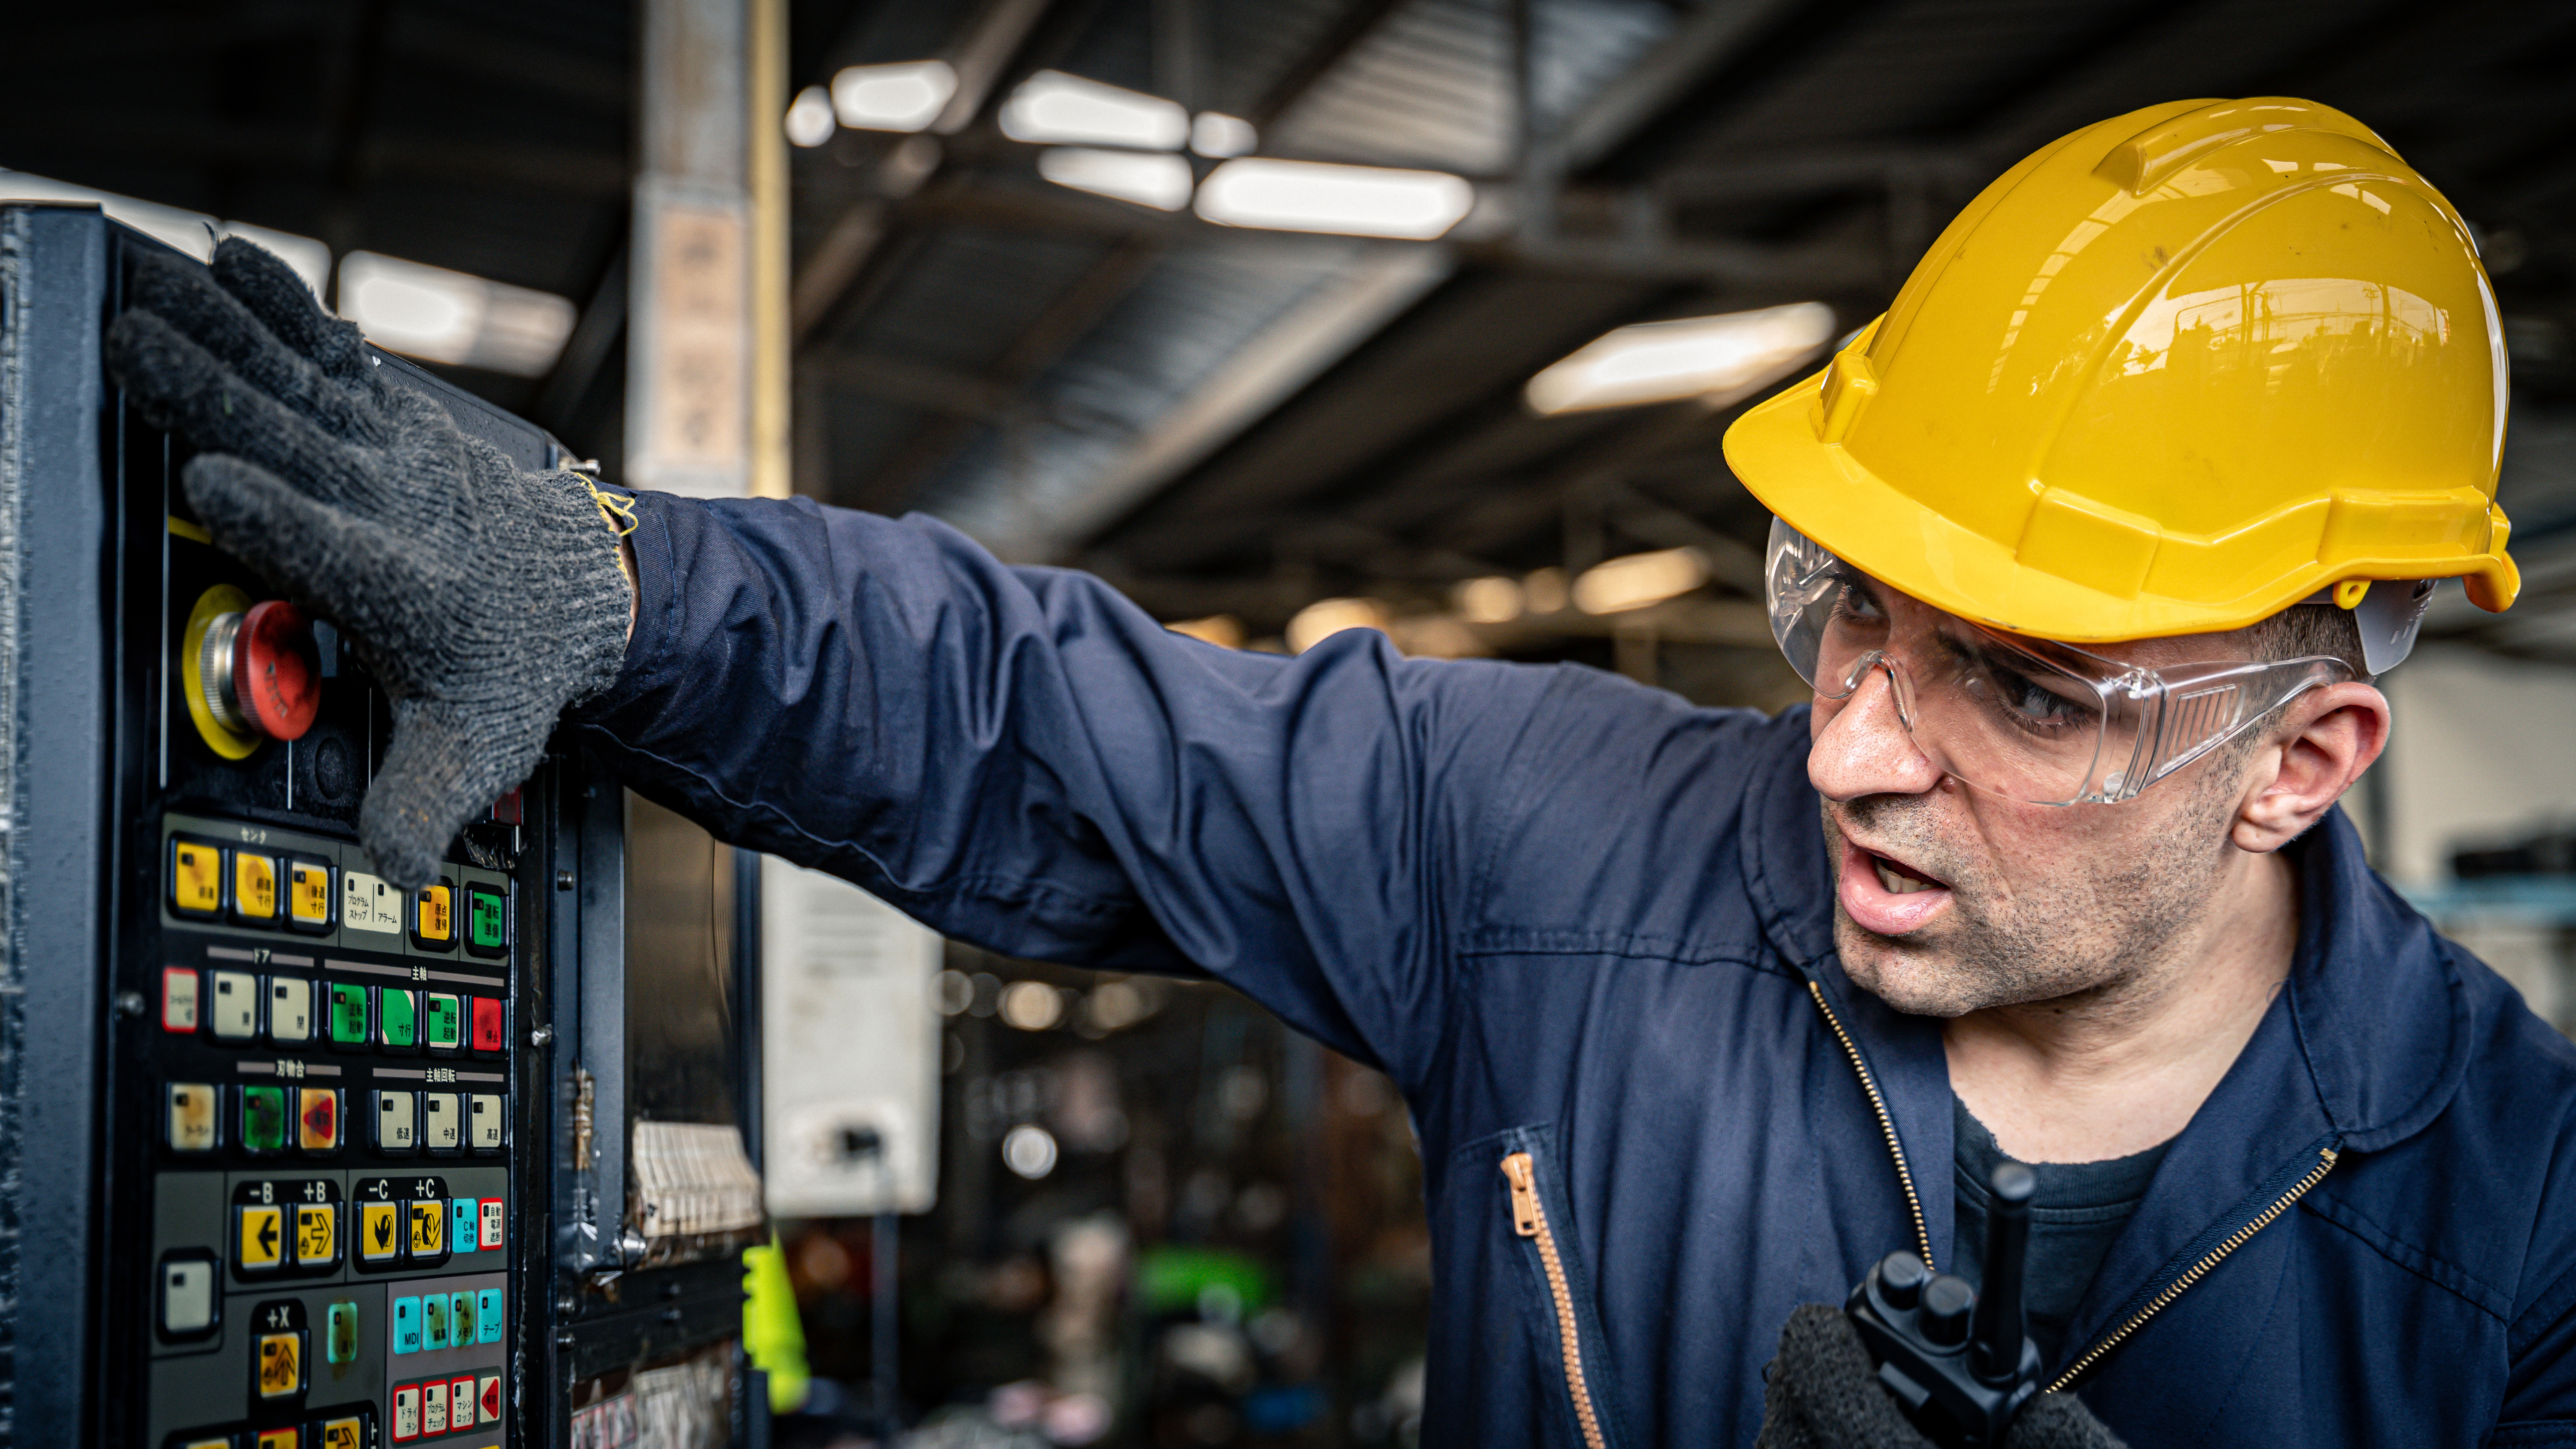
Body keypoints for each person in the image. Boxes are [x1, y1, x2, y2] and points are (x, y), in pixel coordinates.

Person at [105, 96, 2576, 1447]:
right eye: (1845, 615)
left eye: (2019, 691)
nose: (1847, 747)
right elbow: (1044, 718)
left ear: (2305, 758)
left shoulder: (2524, 1247)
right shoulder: (1561, 848)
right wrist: (638, 589)